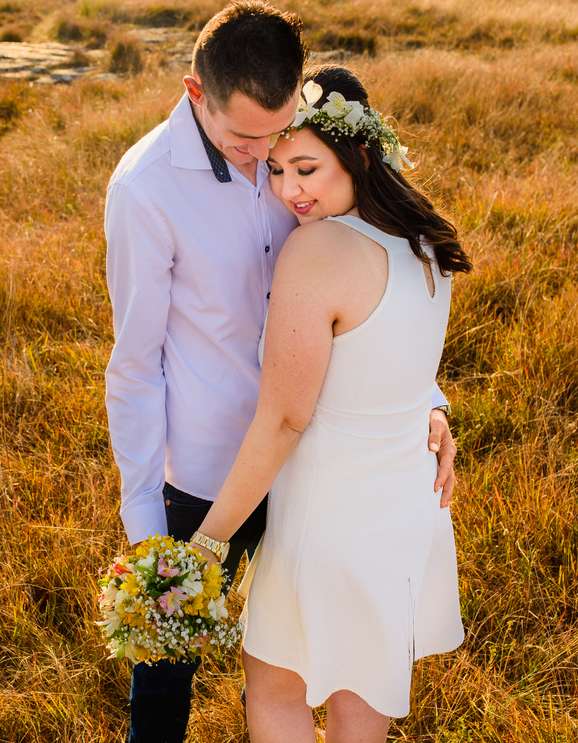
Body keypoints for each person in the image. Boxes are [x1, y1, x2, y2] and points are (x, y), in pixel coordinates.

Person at [103, 3, 458, 743]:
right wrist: (149, 535)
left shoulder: (298, 153)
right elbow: (134, 367)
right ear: (196, 94)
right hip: (210, 474)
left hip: (311, 474)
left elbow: (368, 317)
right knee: (167, 675)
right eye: (246, 142)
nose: (264, 161)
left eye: (279, 139)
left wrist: (430, 404)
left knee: (290, 664)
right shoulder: (144, 192)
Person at [188, 64, 472, 742]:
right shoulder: (425, 241)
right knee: (361, 691)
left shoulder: (318, 251)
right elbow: (397, 364)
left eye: (307, 169)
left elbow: (286, 416)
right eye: (279, 170)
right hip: (403, 511)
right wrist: (437, 413)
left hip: (328, 519)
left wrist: (209, 539)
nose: (290, 191)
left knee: (278, 687)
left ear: (357, 154)